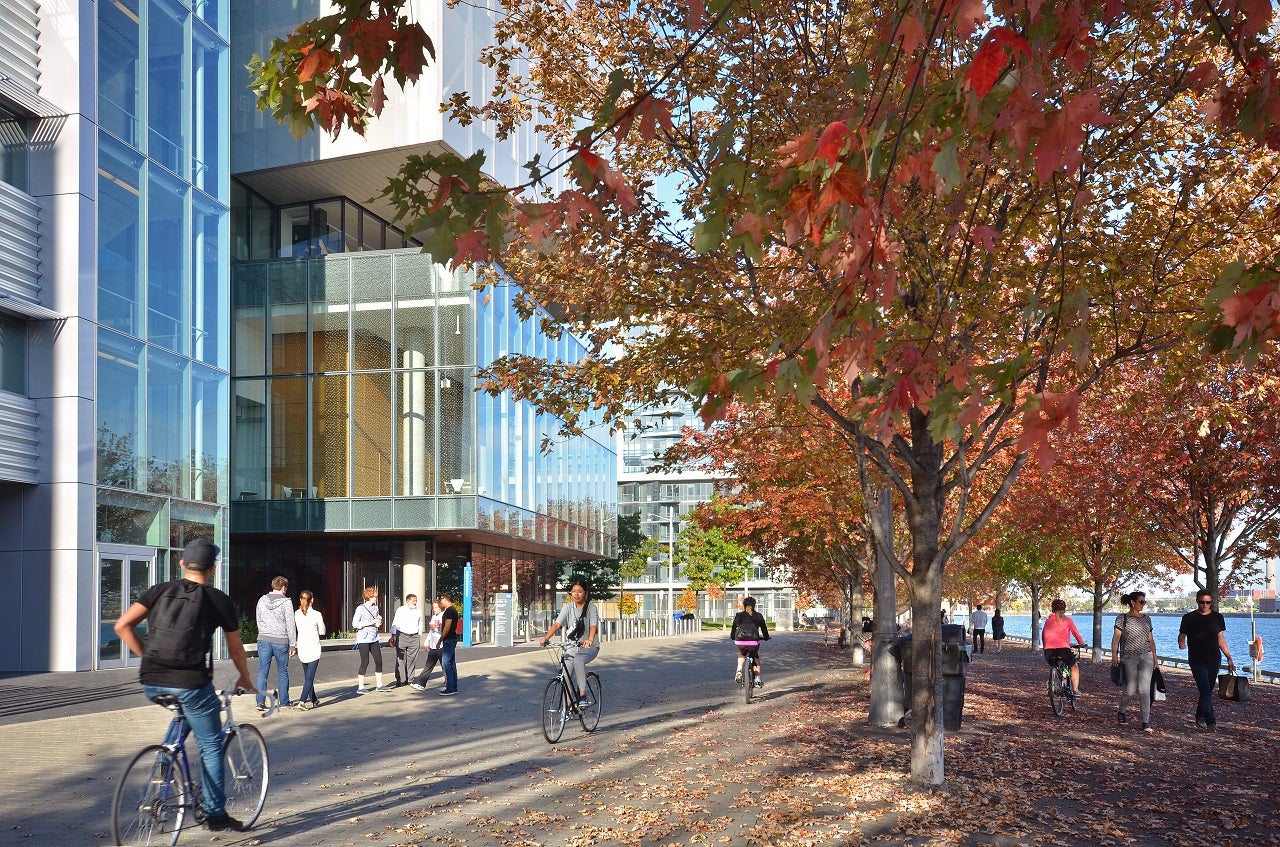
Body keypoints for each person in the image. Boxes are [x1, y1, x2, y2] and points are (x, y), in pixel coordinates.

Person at [112, 538, 256, 833]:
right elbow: (236, 649)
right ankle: (215, 814)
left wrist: (147, 657)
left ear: (181, 564)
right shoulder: (218, 599)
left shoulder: (159, 591)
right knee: (211, 745)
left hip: (151, 681)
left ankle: (165, 761)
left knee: (188, 712)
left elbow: (121, 626)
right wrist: (245, 677)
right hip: (190, 682)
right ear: (213, 568)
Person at [1178, 590, 1235, 731]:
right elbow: (1182, 635)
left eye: (1208, 602)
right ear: (1197, 601)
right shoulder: (1189, 618)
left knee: (1207, 692)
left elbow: (1220, 639)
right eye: (1202, 602)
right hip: (1197, 660)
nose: (1205, 605)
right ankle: (1211, 721)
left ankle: (1200, 717)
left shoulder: (1217, 618)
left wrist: (1229, 657)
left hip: (1214, 659)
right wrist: (1181, 643)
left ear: (1211, 603)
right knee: (1204, 689)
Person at [538, 580, 600, 706]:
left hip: (590, 647)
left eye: (580, 591)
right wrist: (546, 638)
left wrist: (590, 639)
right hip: (572, 646)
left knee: (578, 660)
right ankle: (569, 702)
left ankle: (582, 695)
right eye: (574, 591)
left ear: (585, 593)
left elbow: (594, 626)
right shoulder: (568, 608)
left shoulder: (591, 608)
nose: (576, 594)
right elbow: (557, 624)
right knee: (565, 672)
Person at [1112, 590, 1159, 732]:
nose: (1143, 604)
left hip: (1146, 656)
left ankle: (1146, 722)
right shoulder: (1122, 619)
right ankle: (1122, 711)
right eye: (1141, 602)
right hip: (1129, 657)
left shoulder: (1147, 619)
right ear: (1133, 602)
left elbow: (1150, 639)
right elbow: (1116, 639)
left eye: (1144, 602)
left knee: (1145, 690)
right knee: (1130, 689)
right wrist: (1114, 655)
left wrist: (1155, 658)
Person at [254, 576, 296, 709]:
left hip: (264, 639)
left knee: (262, 671)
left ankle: (260, 702)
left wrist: (263, 632)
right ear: (284, 588)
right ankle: (284, 701)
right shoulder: (286, 602)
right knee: (282, 671)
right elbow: (290, 624)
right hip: (281, 641)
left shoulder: (262, 600)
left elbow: (258, 618)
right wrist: (293, 644)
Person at [1041, 598, 1086, 696]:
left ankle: (1054, 683)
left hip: (1049, 652)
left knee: (1056, 666)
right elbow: (1077, 634)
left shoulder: (1048, 621)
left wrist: (1045, 647)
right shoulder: (1068, 620)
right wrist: (1081, 643)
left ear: (1053, 609)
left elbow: (1043, 635)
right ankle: (1075, 690)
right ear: (1064, 610)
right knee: (1073, 666)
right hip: (1063, 650)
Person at [353, 586, 389, 693]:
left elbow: (376, 623)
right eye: (374, 596)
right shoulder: (360, 609)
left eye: (376, 596)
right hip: (363, 639)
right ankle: (361, 687)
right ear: (368, 597)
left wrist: (379, 622)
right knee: (365, 662)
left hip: (374, 637)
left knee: (379, 661)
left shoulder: (376, 608)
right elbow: (355, 624)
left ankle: (379, 685)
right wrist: (371, 622)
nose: (376, 598)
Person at [728, 596, 771, 688]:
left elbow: (733, 628)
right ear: (754, 606)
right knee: (755, 656)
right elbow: (764, 629)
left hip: (740, 642)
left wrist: (732, 637)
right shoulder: (758, 616)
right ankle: (758, 679)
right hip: (753, 642)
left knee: (741, 653)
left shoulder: (739, 615)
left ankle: (739, 670)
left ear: (743, 606)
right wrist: (766, 637)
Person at [294, 589, 325, 710]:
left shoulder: (296, 613)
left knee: (307, 675)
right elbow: (322, 631)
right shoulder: (316, 614)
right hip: (313, 647)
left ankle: (314, 699)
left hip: (302, 646)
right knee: (310, 677)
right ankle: (302, 701)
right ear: (312, 600)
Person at [409, 600, 445, 691]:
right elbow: (431, 631)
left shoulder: (443, 616)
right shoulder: (433, 617)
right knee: (428, 665)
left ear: (440, 607)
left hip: (441, 645)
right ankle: (421, 683)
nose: (435, 609)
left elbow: (443, 630)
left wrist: (437, 628)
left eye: (436, 607)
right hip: (433, 645)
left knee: (444, 665)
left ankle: (448, 684)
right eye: (433, 608)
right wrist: (426, 641)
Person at [391, 594, 423, 687]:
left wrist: (419, 634)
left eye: (416, 600)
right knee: (400, 658)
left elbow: (420, 622)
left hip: (414, 636)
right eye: (413, 601)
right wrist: (393, 635)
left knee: (412, 658)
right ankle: (401, 679)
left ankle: (410, 679)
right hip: (402, 635)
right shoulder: (401, 610)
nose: (415, 602)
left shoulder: (418, 610)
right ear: (408, 601)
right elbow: (395, 622)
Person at [437, 591, 462, 696]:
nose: (440, 601)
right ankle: (453, 686)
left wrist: (441, 639)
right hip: (452, 638)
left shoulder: (449, 611)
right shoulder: (453, 610)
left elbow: (447, 626)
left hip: (449, 639)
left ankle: (450, 687)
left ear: (445, 599)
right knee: (451, 663)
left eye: (441, 599)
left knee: (446, 663)